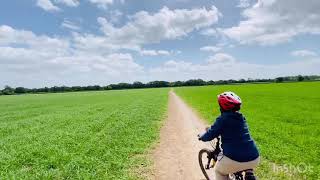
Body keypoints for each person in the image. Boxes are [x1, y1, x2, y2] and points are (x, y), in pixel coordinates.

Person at [198, 92, 260, 180]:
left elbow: (209, 135)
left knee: (219, 171)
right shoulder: (241, 118)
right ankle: (249, 173)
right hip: (254, 157)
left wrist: (202, 136)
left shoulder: (223, 119)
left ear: (222, 107)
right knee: (245, 160)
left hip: (235, 159)